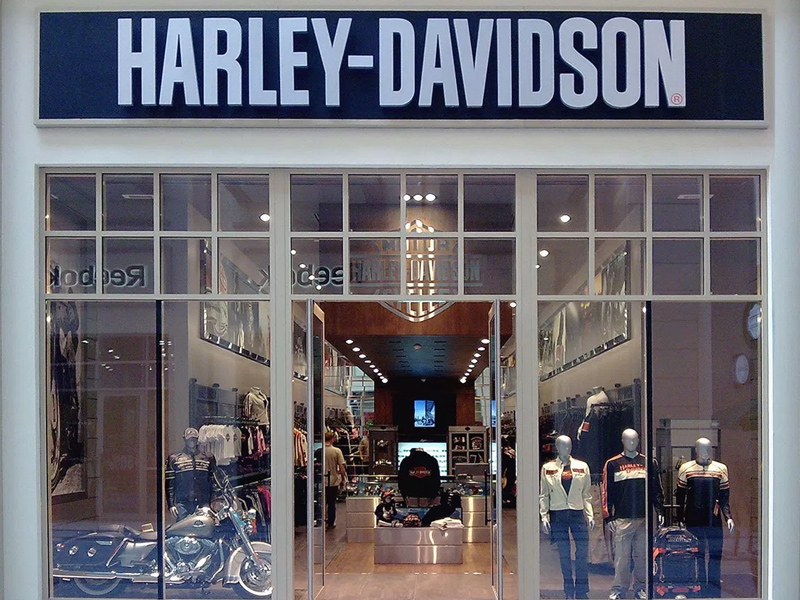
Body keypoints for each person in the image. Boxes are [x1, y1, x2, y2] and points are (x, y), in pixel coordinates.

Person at [540, 435, 593, 600]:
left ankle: (582, 590)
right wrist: (544, 516)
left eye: (569, 445)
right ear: (557, 448)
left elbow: (586, 494)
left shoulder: (582, 466)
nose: (567, 448)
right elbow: (544, 495)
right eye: (563, 446)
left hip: (577, 512)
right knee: (564, 554)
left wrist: (590, 514)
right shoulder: (548, 468)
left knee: (582, 552)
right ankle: (568, 590)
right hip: (558, 513)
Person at [166, 427, 216, 521]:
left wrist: (212, 501)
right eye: (189, 439)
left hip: (203, 502)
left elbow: (212, 481)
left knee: (204, 526)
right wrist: (171, 504)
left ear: (197, 439)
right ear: (184, 439)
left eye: (194, 438)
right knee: (182, 528)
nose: (191, 441)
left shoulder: (208, 458)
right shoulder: (174, 459)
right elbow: (170, 484)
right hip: (183, 503)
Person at [323, 431, 347, 530]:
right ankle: (330, 522)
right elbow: (342, 467)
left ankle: (321, 520)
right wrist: (343, 479)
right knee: (332, 502)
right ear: (333, 439)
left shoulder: (320, 451)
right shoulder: (337, 451)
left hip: (321, 480)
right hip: (333, 480)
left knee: (322, 502)